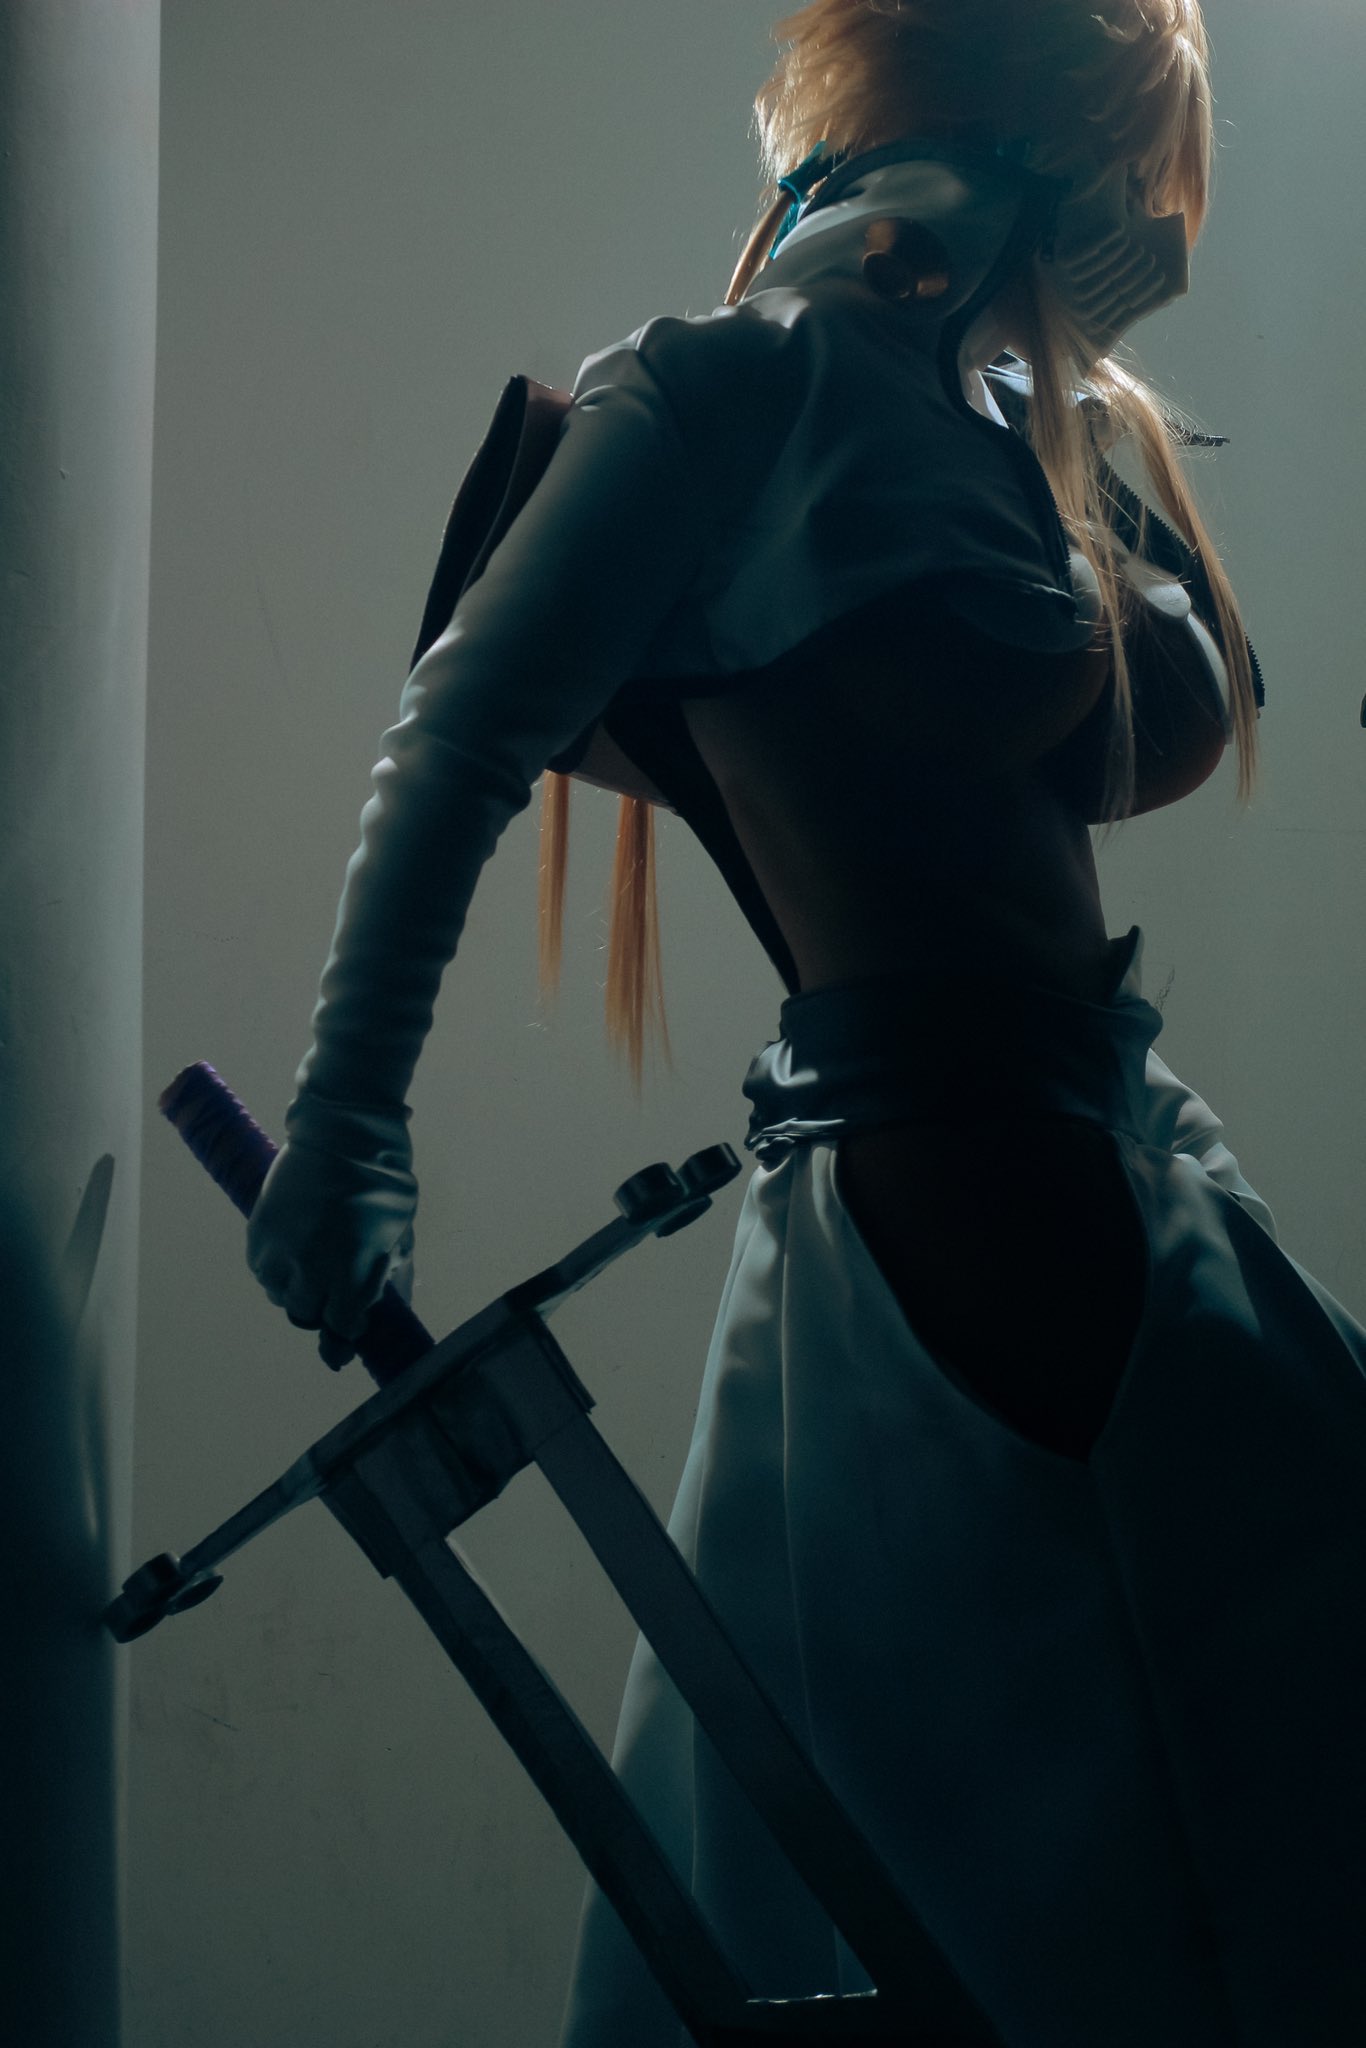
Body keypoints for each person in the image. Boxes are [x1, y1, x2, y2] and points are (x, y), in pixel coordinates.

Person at [246, 2, 1366, 2041]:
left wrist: (1058, 406)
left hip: (1102, 1142)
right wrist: (350, 1121)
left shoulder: (1020, 429)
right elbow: (461, 731)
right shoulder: (723, 387)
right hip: (943, 1178)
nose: (1148, 227)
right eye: (1133, 165)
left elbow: (1187, 688)